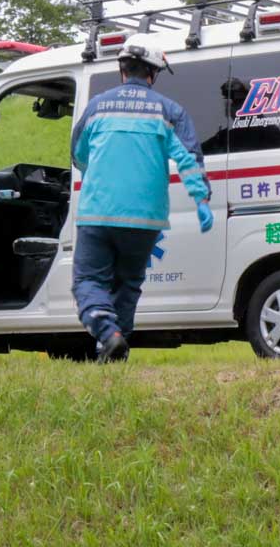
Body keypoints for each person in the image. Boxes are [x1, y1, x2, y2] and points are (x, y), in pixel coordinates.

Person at [70, 34, 214, 362]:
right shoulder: (169, 111)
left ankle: (107, 333)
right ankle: (115, 351)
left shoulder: (96, 108)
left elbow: (79, 156)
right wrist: (201, 200)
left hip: (99, 214)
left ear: (122, 70)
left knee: (89, 280)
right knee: (129, 283)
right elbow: (189, 157)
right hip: (146, 219)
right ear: (152, 74)